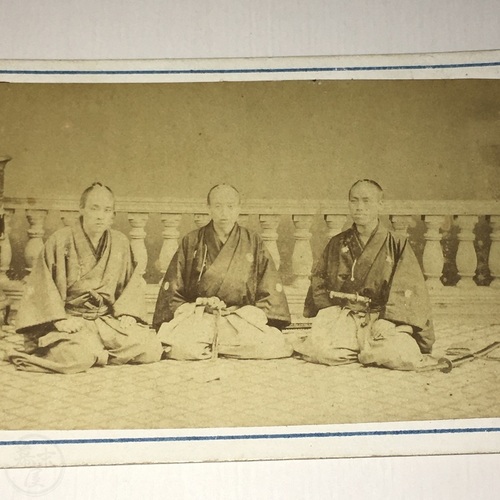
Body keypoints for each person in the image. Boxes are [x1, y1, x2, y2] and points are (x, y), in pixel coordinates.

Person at [9, 182, 163, 374]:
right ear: (81, 209)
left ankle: (96, 353)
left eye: (107, 210)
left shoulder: (120, 242)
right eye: (94, 208)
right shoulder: (60, 240)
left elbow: (130, 286)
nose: (100, 216)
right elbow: (43, 285)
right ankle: (86, 351)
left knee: (152, 349)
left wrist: (128, 314)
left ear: (113, 215)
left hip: (105, 321)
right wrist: (59, 320)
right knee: (78, 356)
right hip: (72, 320)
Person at [295, 179, 435, 370]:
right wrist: (329, 311)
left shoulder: (396, 243)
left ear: (380, 205)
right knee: (320, 351)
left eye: (366, 201)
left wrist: (389, 320)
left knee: (402, 355)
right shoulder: (337, 242)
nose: (359, 207)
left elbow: (408, 287)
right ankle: (364, 350)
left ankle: (370, 346)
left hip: (381, 318)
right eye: (354, 201)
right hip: (346, 315)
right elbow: (319, 280)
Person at [153, 183, 293, 360]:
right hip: (200, 317)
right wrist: (200, 305)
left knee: (275, 346)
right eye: (218, 206)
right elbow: (173, 290)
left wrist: (243, 312)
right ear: (209, 209)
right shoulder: (192, 240)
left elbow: (269, 288)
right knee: (174, 342)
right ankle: (226, 347)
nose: (224, 213)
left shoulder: (253, 241)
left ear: (238, 209)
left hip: (239, 318)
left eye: (230, 206)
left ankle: (210, 348)